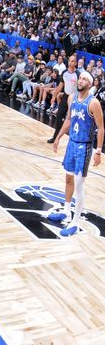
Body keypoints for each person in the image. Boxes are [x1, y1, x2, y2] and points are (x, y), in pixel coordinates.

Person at [50, 71, 104, 236]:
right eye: (79, 78)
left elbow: (101, 128)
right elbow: (68, 120)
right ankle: (66, 211)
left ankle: (75, 222)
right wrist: (58, 137)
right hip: (72, 144)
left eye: (83, 79)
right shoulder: (71, 98)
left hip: (84, 147)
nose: (80, 81)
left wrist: (98, 151)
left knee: (79, 186)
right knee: (68, 178)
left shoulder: (93, 103)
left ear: (90, 83)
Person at [48, 53, 79, 143]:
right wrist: (54, 97)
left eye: (72, 61)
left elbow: (80, 89)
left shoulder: (78, 74)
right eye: (69, 61)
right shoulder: (65, 72)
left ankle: (73, 140)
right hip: (65, 97)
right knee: (59, 116)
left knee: (73, 120)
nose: (70, 62)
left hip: (74, 99)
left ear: (76, 63)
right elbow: (60, 86)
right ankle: (55, 137)